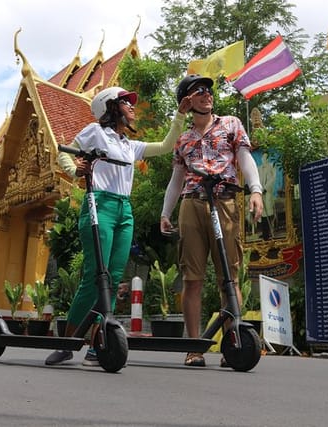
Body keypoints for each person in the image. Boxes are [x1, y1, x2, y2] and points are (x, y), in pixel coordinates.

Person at [46, 86, 192, 366]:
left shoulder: (128, 145)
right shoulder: (95, 132)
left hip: (125, 209)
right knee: (95, 276)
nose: (132, 107)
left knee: (113, 278)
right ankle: (66, 341)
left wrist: (180, 115)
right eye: (126, 103)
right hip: (99, 204)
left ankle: (97, 342)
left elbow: (164, 146)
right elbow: (63, 153)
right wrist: (74, 168)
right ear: (110, 107)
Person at [159, 74, 264, 367]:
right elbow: (176, 179)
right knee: (192, 279)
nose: (207, 94)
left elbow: (245, 159)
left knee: (228, 276)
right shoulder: (183, 138)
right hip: (192, 203)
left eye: (209, 90)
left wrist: (255, 190)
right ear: (187, 101)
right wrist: (165, 213)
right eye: (199, 91)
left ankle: (234, 344)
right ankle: (194, 348)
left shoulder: (230, 124)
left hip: (225, 200)